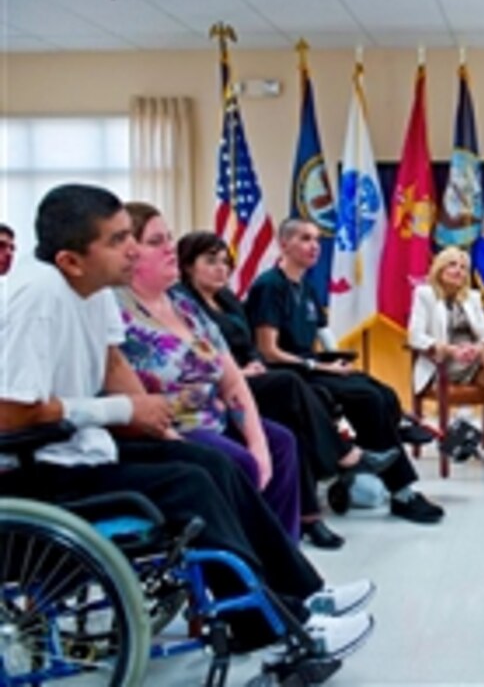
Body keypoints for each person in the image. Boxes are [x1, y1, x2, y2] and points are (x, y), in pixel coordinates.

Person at [0, 183, 374, 655]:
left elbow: (113, 363)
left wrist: (155, 420)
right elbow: (9, 412)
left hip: (80, 447)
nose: (132, 247)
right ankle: (266, 626)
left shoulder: (94, 290)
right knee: (190, 484)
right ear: (71, 260)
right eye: (117, 240)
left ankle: (303, 592)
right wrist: (121, 410)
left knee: (206, 462)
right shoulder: (38, 299)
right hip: (38, 470)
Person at [177, 230, 391, 549]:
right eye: (210, 261)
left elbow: (248, 344)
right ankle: (346, 455)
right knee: (291, 384)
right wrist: (243, 370)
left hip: (251, 376)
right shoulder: (184, 304)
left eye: (225, 262)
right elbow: (197, 355)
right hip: (220, 387)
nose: (221, 269)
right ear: (188, 265)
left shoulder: (226, 298)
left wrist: (253, 363)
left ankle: (310, 518)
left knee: (300, 416)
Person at [115, 202, 302, 540]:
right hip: (173, 431)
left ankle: (283, 561)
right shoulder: (117, 310)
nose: (170, 247)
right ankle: (256, 569)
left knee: (280, 444)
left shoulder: (184, 304)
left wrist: (257, 443)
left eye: (170, 238)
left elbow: (231, 378)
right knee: (237, 462)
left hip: (214, 418)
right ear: (130, 252)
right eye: (156, 241)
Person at [246, 218, 443, 524]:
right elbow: (268, 349)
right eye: (304, 239)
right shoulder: (270, 286)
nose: (314, 246)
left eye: (316, 239)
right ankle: (402, 492)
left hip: (311, 364)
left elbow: (324, 333)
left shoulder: (306, 286)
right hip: (287, 372)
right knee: (368, 398)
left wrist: (340, 363)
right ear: (284, 244)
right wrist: (320, 365)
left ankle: (391, 430)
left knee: (383, 392)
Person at [408, 246, 484, 472]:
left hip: (473, 361)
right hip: (442, 363)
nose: (459, 271)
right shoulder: (424, 294)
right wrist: (452, 350)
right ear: (440, 268)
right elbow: (415, 336)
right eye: (452, 265)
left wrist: (475, 348)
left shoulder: (472, 297)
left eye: (463, 267)